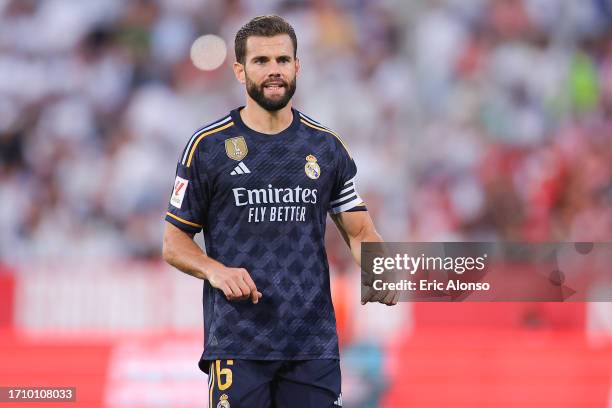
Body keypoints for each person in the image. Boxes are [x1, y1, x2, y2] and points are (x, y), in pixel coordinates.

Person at [162, 15, 397, 408]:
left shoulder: (325, 147)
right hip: (239, 339)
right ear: (240, 70)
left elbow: (360, 233)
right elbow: (173, 241)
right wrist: (215, 270)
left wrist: (381, 271)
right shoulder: (208, 147)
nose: (274, 71)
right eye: (261, 61)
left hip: (312, 343)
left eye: (283, 61)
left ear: (297, 66)